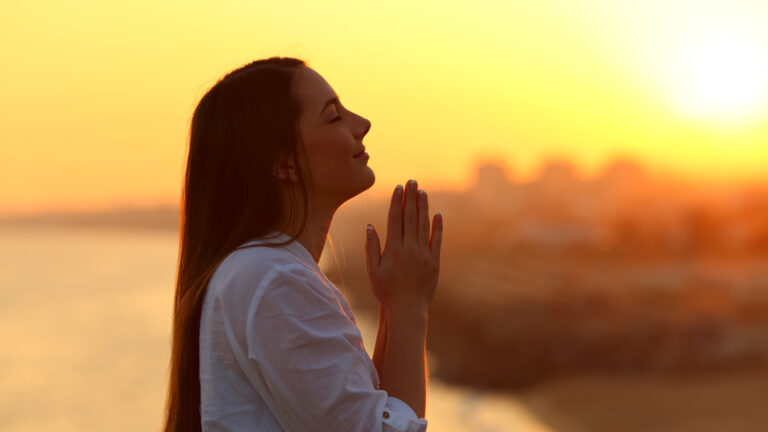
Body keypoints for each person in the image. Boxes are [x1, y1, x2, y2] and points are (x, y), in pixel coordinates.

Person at [162, 56, 443, 432]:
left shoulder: (262, 271)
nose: (362, 124)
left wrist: (395, 308)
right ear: (284, 165)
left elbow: (372, 414)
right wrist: (411, 308)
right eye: (334, 116)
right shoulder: (275, 278)